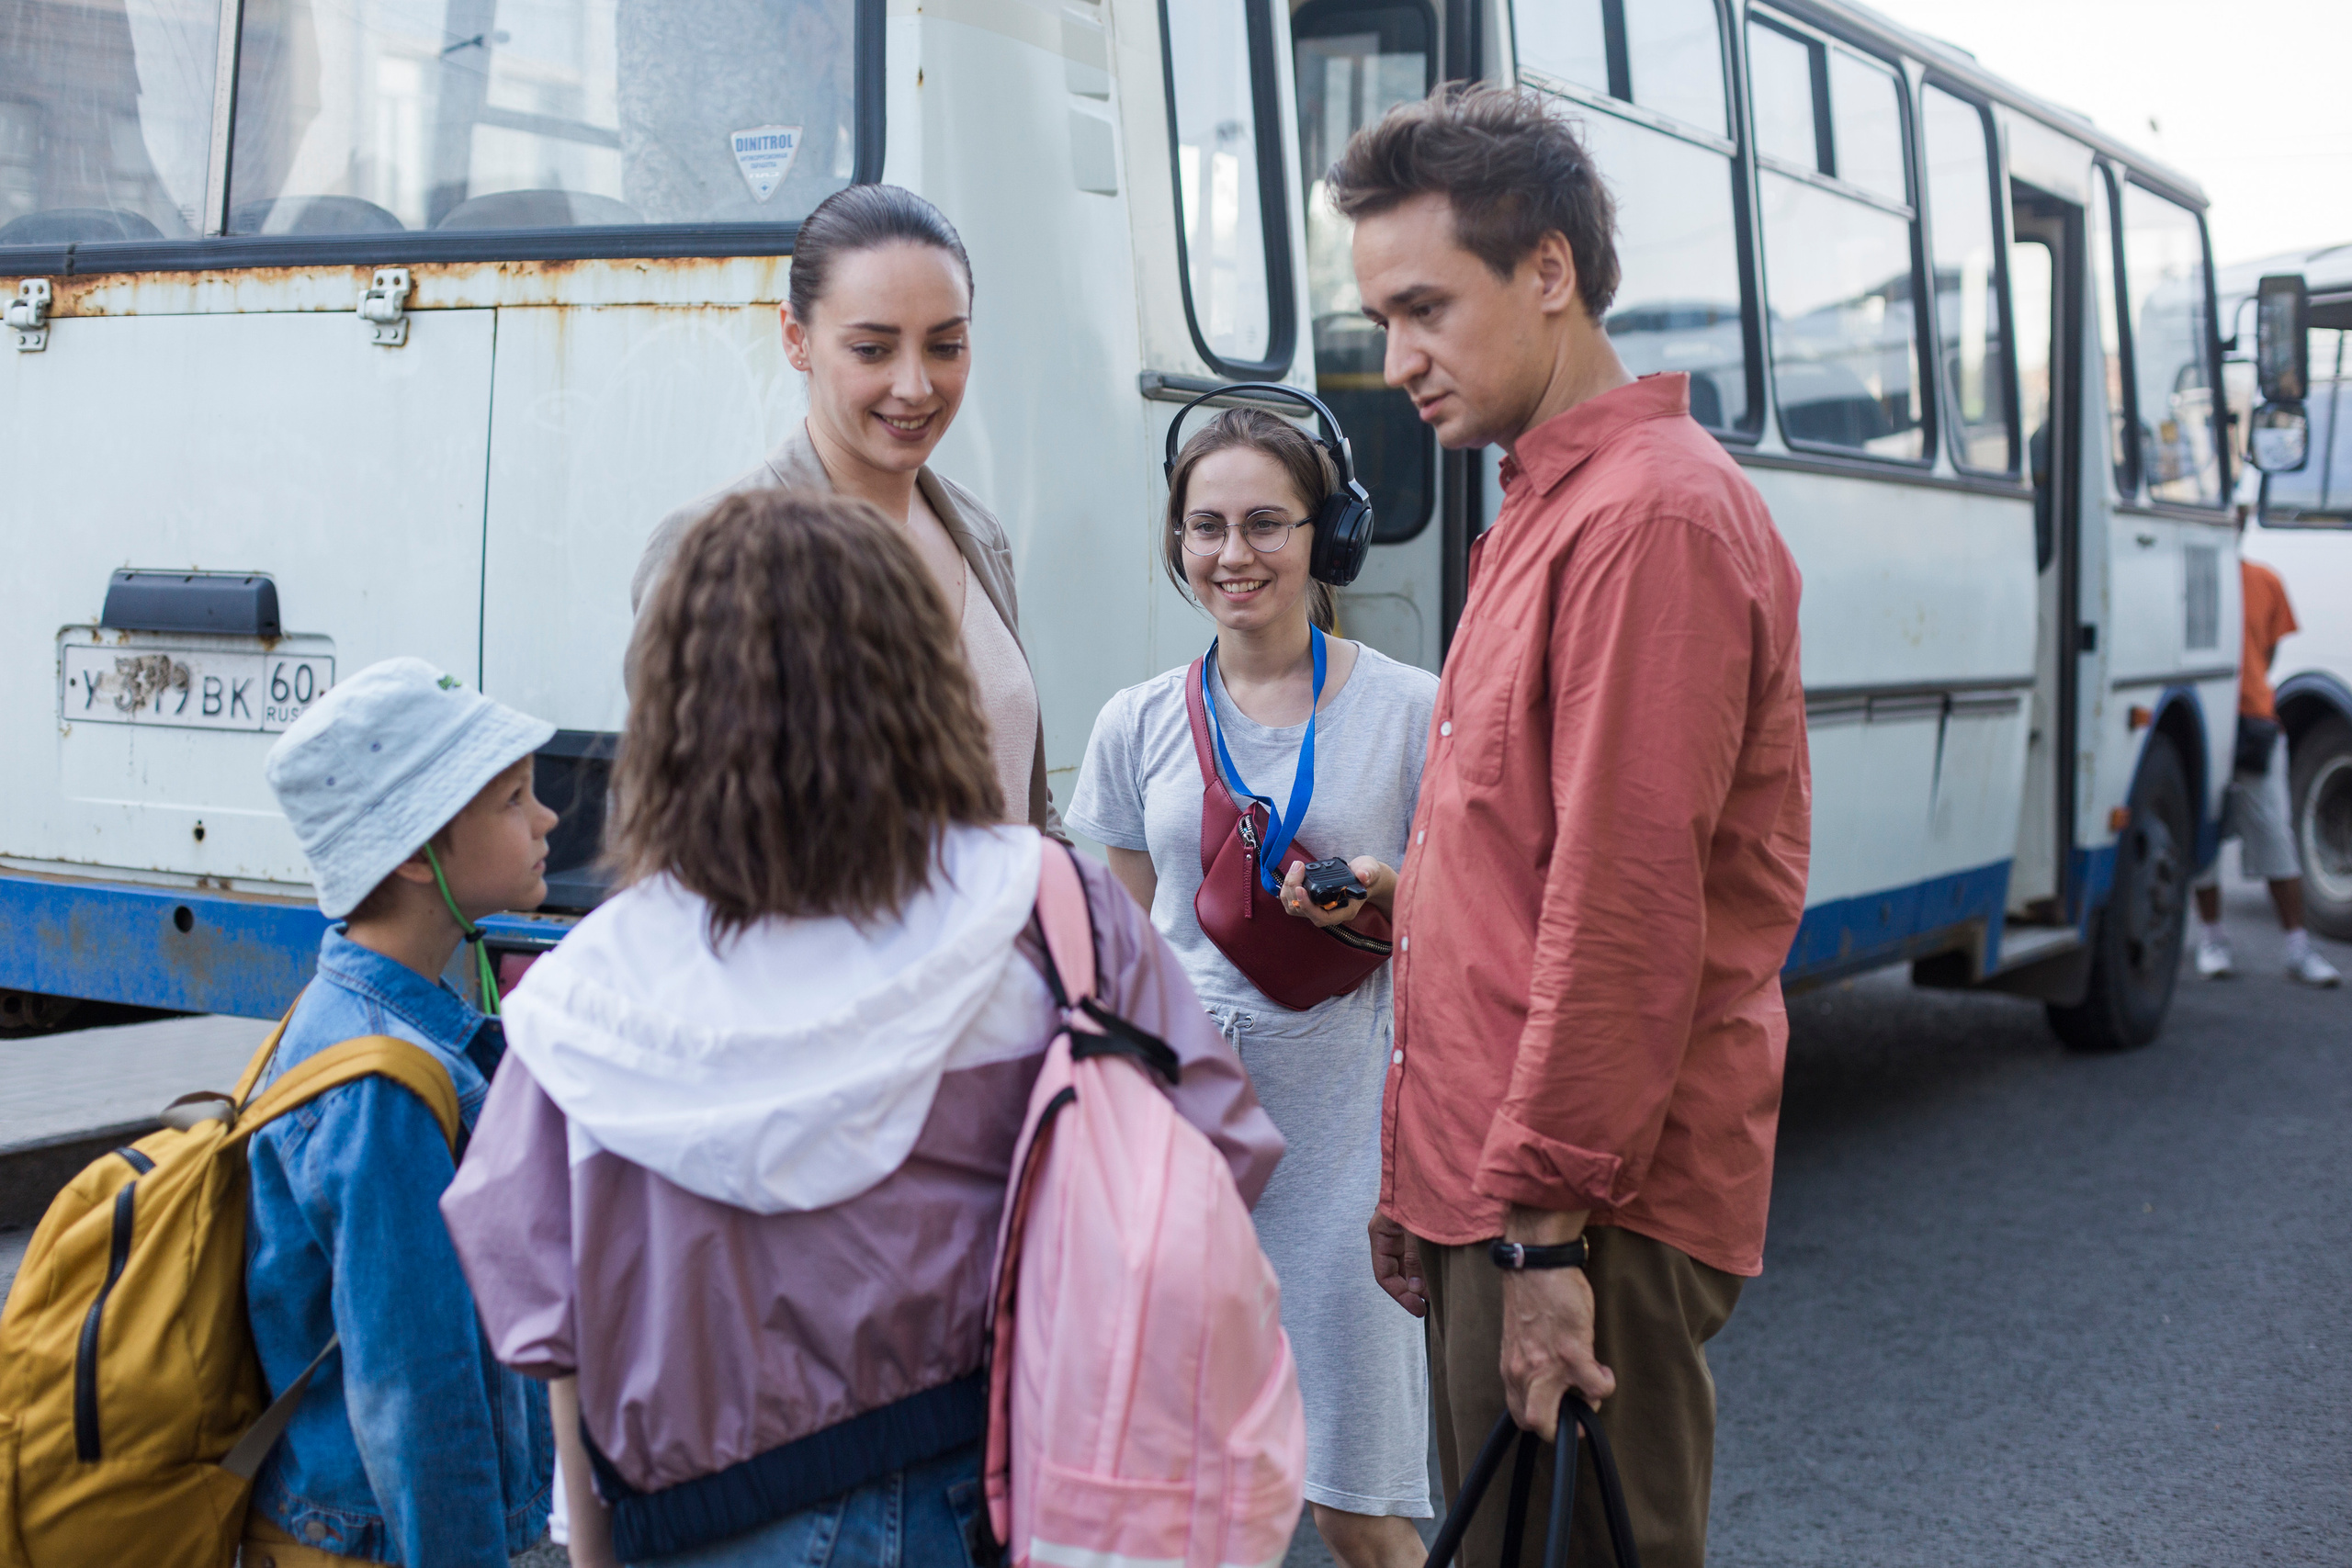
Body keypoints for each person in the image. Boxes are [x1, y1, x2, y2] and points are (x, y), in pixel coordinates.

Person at [441, 490, 1283, 1567]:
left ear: (677, 709)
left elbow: (542, 1318)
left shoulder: (584, 991)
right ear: (914, 679)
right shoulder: (1046, 911)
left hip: (690, 1522)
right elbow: (1217, 1153)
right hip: (1009, 1490)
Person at [1332, 87, 1811, 1568]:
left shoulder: (1647, 520)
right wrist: (1428, 1174)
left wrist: (1538, 1238)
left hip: (1587, 1205)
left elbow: (1624, 920)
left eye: (1424, 308)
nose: (1396, 361)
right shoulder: (1550, 497)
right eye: (1379, 318)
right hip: (1514, 1179)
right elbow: (1521, 870)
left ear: (1548, 271)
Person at [1067, 408, 1440, 1567]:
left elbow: (1483, 921)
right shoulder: (1133, 724)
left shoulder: (1413, 709)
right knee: (1183, 1500)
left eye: (1267, 524)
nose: (1235, 555)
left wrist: (1385, 890)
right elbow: (1110, 953)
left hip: (1345, 1150)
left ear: (1327, 537)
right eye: (1207, 527)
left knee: (1354, 1505)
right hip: (1189, 1148)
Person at [248, 658, 559, 1565]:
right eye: (511, 800)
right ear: (411, 854)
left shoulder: (357, 1021)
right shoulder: (383, 1087)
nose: (545, 821)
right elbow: (418, 1397)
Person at [631, 181, 1057, 833]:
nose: (915, 386)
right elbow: (683, 834)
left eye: (946, 346)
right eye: (871, 350)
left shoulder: (977, 532)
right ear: (796, 338)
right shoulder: (708, 547)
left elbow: (1024, 802)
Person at [2194, 548, 2341, 986]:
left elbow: (2268, 651)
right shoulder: (2193, 573)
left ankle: (2297, 945)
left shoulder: (2264, 580)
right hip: (2207, 717)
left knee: (2275, 832)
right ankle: (2212, 936)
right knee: (2205, 831)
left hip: (2254, 717)